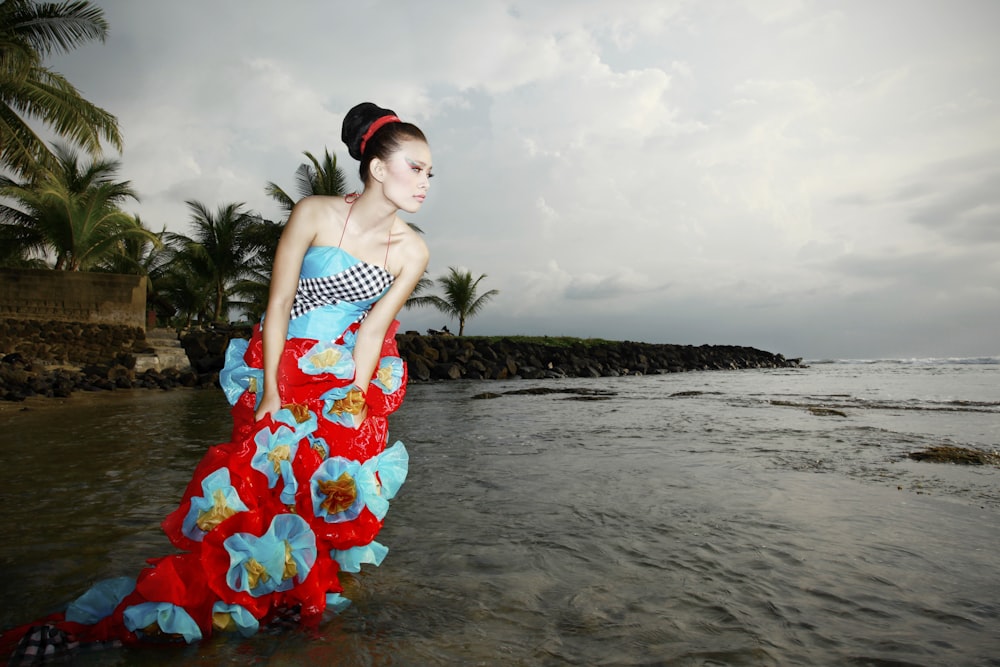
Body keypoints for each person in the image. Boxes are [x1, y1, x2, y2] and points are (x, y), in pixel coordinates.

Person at [3, 102, 431, 660]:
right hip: (281, 368)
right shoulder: (316, 214)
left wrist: (355, 401)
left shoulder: (414, 250)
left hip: (344, 383)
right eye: (417, 168)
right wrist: (273, 393)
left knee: (323, 496)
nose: (425, 182)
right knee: (256, 489)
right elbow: (277, 304)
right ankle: (201, 607)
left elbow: (373, 332)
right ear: (378, 169)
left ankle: (290, 604)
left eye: (429, 172)